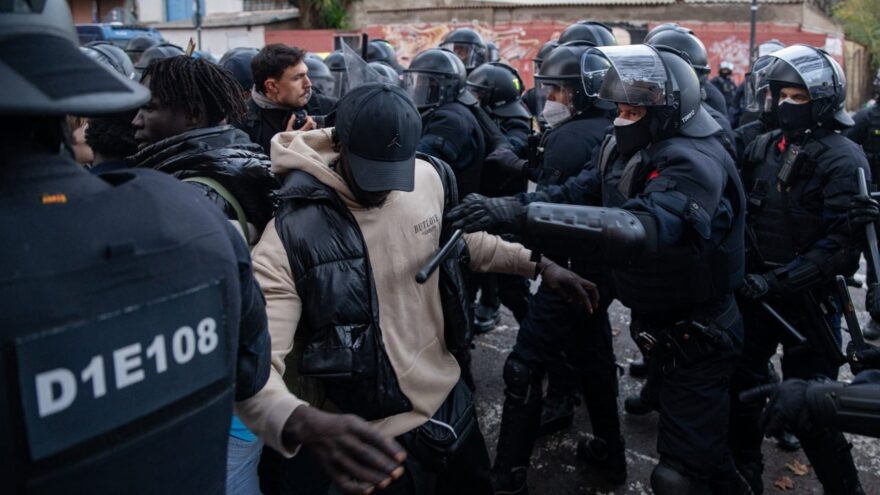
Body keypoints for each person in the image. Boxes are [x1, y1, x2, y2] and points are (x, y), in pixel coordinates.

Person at [234, 82, 599, 494]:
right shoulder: (288, 237)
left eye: (394, 173)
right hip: (372, 440)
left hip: (452, 406)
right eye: (371, 172)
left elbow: (455, 243)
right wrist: (300, 420)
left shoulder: (426, 177)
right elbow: (255, 364)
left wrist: (538, 265)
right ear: (341, 144)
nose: (384, 188)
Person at [448, 43, 752, 494]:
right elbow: (575, 192)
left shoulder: (693, 161)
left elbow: (641, 228)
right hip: (662, 327)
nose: (621, 116)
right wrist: (505, 205)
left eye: (634, 109)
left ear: (668, 111)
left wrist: (518, 217)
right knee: (703, 456)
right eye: (621, 107)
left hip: (700, 334)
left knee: (682, 475)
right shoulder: (623, 146)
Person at [0, 1, 274, 493]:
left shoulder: (195, 198)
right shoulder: (189, 214)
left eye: (152, 106)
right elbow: (249, 370)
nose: (138, 120)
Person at [730, 44, 868, 495]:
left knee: (814, 406)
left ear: (823, 100)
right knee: (743, 388)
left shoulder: (843, 158)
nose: (785, 104)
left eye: (798, 96)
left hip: (810, 300)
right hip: (756, 295)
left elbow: (841, 250)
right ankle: (745, 472)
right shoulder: (762, 145)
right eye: (780, 94)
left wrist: (778, 280)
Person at [129, 56, 278, 247]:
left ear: (194, 115)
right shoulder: (230, 167)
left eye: (149, 109)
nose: (136, 121)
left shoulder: (189, 200)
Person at [402, 48, 486, 198]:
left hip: (448, 213)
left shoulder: (451, 120)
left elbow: (419, 161)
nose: (419, 87)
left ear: (447, 87)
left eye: (427, 82)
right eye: (416, 81)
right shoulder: (438, 111)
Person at [240, 44, 337, 155]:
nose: (308, 83)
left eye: (306, 74)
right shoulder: (244, 123)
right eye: (297, 78)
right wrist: (285, 147)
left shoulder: (328, 107)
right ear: (272, 86)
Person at [846, 70, 880, 340]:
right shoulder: (866, 118)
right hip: (874, 201)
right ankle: (877, 316)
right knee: (876, 262)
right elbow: (848, 152)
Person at [712, 61, 739, 125]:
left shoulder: (731, 82)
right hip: (720, 108)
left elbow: (736, 92)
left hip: (731, 108)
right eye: (724, 70)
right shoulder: (716, 81)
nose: (725, 72)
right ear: (721, 70)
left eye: (727, 70)